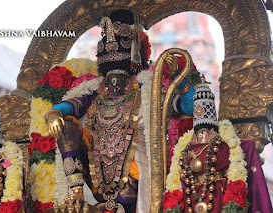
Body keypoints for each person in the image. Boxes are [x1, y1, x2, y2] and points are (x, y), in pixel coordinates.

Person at [45, 9, 196, 213]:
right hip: (97, 181)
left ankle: (106, 208)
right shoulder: (93, 96)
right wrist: (53, 114)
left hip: (132, 186)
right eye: (110, 81)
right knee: (66, 124)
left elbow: (190, 106)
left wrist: (181, 79)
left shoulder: (146, 96)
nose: (114, 85)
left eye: (119, 80)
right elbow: (68, 106)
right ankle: (76, 195)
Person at [164, 76, 252, 213]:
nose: (202, 137)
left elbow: (218, 162)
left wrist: (195, 157)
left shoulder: (222, 146)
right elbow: (183, 167)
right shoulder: (186, 147)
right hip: (192, 193)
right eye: (199, 134)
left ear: (213, 132)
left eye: (205, 132)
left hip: (216, 191)